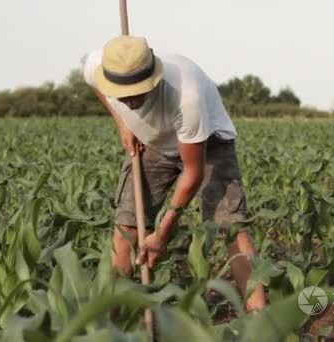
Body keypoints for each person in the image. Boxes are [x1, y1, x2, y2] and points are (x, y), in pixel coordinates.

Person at [82, 35, 266, 311]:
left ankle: (261, 320)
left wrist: (161, 234)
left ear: (152, 79)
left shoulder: (185, 95)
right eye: (123, 95)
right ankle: (111, 321)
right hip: (152, 143)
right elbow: (93, 81)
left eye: (136, 93)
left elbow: (193, 172)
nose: (130, 102)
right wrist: (122, 123)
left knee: (232, 230)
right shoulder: (99, 65)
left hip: (208, 145)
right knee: (126, 228)